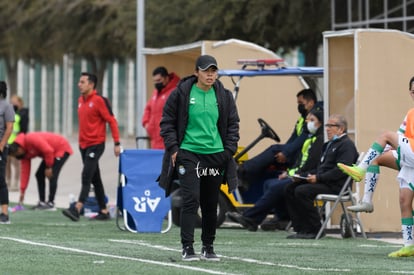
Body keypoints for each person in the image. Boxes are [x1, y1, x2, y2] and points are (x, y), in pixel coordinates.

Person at [158, 55, 239, 261]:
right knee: (191, 199)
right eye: (206, 70)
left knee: (210, 203)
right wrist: (175, 149)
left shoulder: (224, 96)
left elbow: (233, 125)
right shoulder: (181, 93)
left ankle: (208, 247)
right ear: (196, 73)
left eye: (214, 70)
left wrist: (227, 151)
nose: (210, 74)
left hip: (215, 156)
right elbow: (167, 122)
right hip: (189, 154)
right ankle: (187, 247)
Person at [338, 76, 414, 257]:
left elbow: (392, 138)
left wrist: (387, 141)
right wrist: (378, 148)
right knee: (404, 200)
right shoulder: (410, 113)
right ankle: (367, 201)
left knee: (385, 135)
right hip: (411, 157)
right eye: (412, 90)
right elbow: (398, 137)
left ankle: (360, 169)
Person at [226, 106, 325, 231]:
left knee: (276, 185)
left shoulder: (319, 141)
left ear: (320, 123)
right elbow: (301, 161)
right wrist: (288, 173)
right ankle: (282, 217)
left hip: (308, 177)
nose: (307, 122)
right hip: (299, 174)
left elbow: (310, 165)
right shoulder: (310, 139)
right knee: (269, 182)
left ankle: (250, 217)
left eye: (312, 120)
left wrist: (293, 174)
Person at [285, 114, 358, 239]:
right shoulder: (328, 145)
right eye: (327, 126)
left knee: (302, 191)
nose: (327, 129)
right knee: (290, 188)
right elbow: (320, 169)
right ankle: (301, 228)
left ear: (341, 129)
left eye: (331, 126)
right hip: (324, 182)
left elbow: (340, 171)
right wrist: (302, 176)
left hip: (336, 186)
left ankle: (314, 229)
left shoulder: (346, 145)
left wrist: (318, 178)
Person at [62, 72, 121, 222]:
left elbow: (112, 121)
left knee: (86, 175)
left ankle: (77, 208)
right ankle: (104, 210)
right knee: (95, 178)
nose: (79, 84)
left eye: (82, 82)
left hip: (96, 144)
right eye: (79, 82)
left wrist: (117, 143)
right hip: (84, 145)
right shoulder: (80, 100)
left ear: (91, 84)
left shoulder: (99, 100)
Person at [238, 88, 318, 187]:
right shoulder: (302, 118)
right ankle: (247, 182)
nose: (299, 106)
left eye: (301, 103)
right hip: (297, 152)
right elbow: (293, 138)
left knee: (274, 149)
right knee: (268, 162)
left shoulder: (314, 119)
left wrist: (286, 152)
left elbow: (303, 138)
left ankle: (242, 169)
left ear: (311, 102)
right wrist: (285, 152)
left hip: (304, 155)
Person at [8, 132, 73, 210]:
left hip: (60, 148)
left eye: (16, 155)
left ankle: (50, 203)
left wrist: (49, 167)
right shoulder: (24, 155)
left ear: (18, 149)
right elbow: (25, 173)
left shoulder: (30, 138)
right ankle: (42, 202)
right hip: (50, 153)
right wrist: (22, 191)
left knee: (52, 174)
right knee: (39, 175)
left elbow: (48, 150)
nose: (16, 157)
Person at [142, 66, 180, 149]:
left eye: (159, 80)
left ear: (166, 78)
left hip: (168, 140)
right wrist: (146, 123)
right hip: (155, 140)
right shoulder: (156, 92)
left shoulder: (174, 92)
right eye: (155, 81)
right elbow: (148, 108)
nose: (157, 83)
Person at [6, 95, 29, 192]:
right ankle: (8, 181)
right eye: (11, 102)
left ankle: (15, 183)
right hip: (7, 142)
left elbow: (23, 129)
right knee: (7, 163)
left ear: (20, 102)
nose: (13, 103)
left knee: (16, 163)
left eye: (14, 102)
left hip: (17, 142)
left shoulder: (23, 113)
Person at [0, 81, 15, 224]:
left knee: (0, 180)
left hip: (1, 148)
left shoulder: (7, 106)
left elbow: (9, 128)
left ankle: (4, 214)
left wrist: (2, 144)